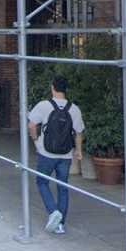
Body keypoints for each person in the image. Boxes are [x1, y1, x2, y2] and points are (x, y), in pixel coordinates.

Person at [27, 76, 84, 234]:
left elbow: (31, 125)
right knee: (63, 187)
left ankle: (53, 211)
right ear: (67, 89)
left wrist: (36, 141)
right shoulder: (74, 109)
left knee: (42, 181)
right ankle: (60, 225)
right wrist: (78, 150)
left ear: (52, 87)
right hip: (65, 155)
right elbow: (78, 133)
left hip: (46, 152)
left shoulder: (43, 106)